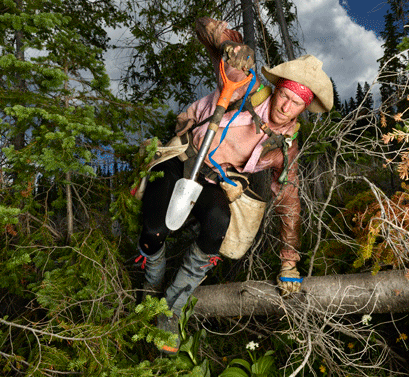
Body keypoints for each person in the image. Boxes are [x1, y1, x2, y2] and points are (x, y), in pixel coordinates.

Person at [131, 17, 334, 354]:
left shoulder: (286, 148)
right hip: (182, 157)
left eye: (296, 102)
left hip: (212, 177)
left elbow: (288, 200)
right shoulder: (248, 88)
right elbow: (206, 28)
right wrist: (231, 47)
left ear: (304, 106)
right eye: (285, 95)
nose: (286, 106)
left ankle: (172, 305)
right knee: (154, 227)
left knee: (217, 223)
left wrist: (288, 260)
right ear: (279, 88)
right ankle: (150, 286)